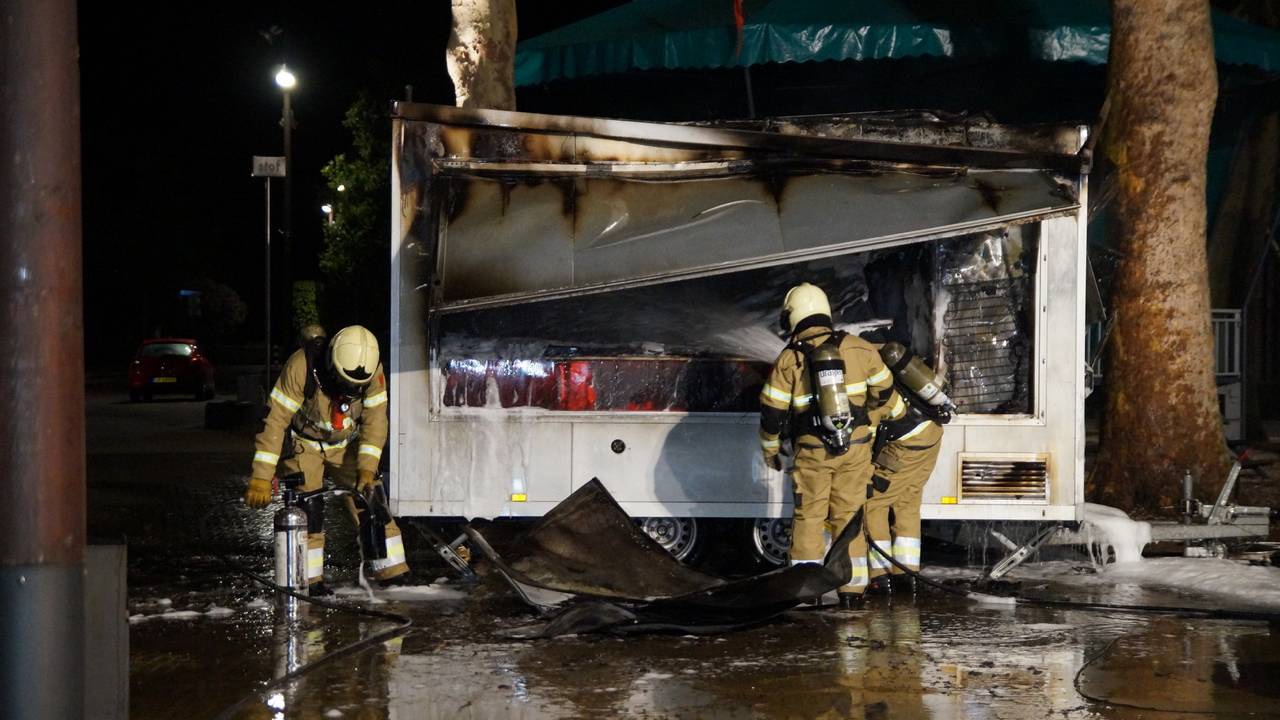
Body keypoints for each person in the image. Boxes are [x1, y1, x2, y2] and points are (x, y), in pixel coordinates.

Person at [758, 283, 905, 607]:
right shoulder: (859, 346)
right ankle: (852, 592)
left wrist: (770, 448)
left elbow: (772, 411)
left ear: (793, 316)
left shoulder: (790, 359)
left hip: (812, 451)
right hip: (855, 448)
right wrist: (873, 416)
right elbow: (884, 388)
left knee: (809, 517)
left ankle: (804, 593)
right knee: (849, 516)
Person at [244, 324, 409, 589]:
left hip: (345, 442)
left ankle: (391, 570)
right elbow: (273, 422)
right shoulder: (301, 367)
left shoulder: (372, 371)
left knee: (371, 499)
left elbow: (375, 422)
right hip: (304, 443)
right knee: (309, 508)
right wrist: (261, 478)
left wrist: (367, 468)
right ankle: (308, 579)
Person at [864, 399, 943, 595]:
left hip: (906, 439)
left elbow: (870, 423)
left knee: (874, 503)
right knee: (907, 503)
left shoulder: (871, 372)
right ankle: (906, 576)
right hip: (931, 431)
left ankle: (879, 576)